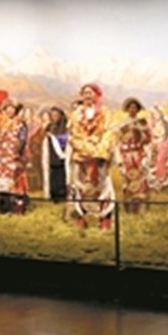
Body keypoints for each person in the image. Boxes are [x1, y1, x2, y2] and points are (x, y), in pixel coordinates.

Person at [68, 83, 115, 230]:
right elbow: (73, 134)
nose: (87, 96)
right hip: (81, 156)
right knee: (81, 187)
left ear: (96, 95)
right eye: (85, 93)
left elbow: (108, 132)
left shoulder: (104, 112)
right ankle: (82, 217)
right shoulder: (76, 114)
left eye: (90, 93)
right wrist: (86, 148)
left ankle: (104, 218)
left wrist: (99, 150)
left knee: (102, 186)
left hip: (99, 156)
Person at [114, 97, 152, 214]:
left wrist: (147, 157)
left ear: (138, 109)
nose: (132, 109)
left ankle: (141, 209)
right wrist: (119, 160)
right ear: (127, 109)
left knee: (141, 180)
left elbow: (148, 141)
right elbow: (117, 142)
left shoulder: (143, 123)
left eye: (135, 107)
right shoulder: (121, 124)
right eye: (130, 107)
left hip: (139, 154)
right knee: (127, 180)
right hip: (126, 155)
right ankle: (129, 209)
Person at [0, 99, 30, 215]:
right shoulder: (2, 124)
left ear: (16, 110)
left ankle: (17, 207)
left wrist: (18, 151)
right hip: (2, 158)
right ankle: (4, 207)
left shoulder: (20, 123)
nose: (9, 110)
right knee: (3, 182)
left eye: (12, 108)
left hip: (14, 156)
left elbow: (23, 139)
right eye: (7, 108)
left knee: (15, 181)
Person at [146, 105, 168, 192]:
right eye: (154, 113)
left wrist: (164, 142)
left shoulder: (165, 123)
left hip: (163, 145)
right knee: (149, 161)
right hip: (152, 146)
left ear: (161, 113)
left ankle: (164, 183)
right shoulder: (150, 123)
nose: (156, 115)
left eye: (157, 113)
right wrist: (152, 143)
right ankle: (152, 184)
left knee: (163, 160)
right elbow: (148, 136)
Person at [41, 106, 69, 204]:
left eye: (56, 115)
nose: (54, 117)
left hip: (62, 157)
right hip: (51, 156)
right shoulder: (49, 127)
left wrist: (55, 138)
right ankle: (53, 195)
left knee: (61, 176)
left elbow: (64, 141)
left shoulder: (65, 127)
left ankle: (62, 195)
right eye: (52, 115)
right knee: (52, 177)